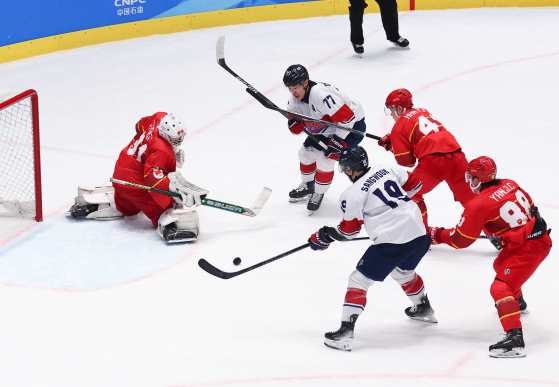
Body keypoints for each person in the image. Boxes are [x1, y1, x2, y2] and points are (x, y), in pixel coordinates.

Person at [307, 146, 436, 352]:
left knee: (358, 280)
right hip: (420, 235)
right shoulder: (385, 169)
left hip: (393, 241)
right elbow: (415, 184)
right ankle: (423, 308)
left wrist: (325, 235)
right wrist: (395, 208)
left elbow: (349, 232)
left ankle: (345, 333)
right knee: (402, 271)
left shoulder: (352, 194)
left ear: (349, 169)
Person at [427, 156, 552, 358]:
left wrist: (436, 234)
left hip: (530, 247)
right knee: (501, 263)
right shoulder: (509, 183)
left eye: (471, 177)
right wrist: (509, 232)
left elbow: (461, 239)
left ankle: (515, 339)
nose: (469, 182)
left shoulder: (478, 205)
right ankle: (517, 302)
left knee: (500, 287)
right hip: (534, 238)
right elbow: (529, 208)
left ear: (478, 179)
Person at [68, 112, 208, 243]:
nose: (179, 140)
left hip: (121, 171)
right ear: (164, 132)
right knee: (169, 204)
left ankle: (109, 203)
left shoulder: (158, 118)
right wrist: (174, 190)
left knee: (127, 206)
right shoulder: (162, 149)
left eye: (180, 137)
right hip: (134, 184)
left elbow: (140, 124)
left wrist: (158, 147)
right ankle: (171, 225)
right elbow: (152, 177)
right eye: (175, 138)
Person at [378, 88, 476, 229]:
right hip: (457, 155)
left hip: (434, 162)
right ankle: (497, 235)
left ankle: (421, 235)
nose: (391, 115)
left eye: (391, 110)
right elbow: (423, 134)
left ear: (399, 108)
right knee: (472, 200)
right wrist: (396, 141)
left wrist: (393, 146)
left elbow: (407, 162)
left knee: (409, 192)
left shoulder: (398, 127)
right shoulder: (424, 111)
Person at [284, 64, 366, 214]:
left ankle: (319, 192)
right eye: (289, 88)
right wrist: (294, 127)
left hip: (351, 127)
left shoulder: (321, 95)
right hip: (328, 126)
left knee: (326, 159)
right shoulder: (293, 101)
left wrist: (337, 141)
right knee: (305, 153)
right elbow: (296, 124)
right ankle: (308, 185)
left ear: (306, 82)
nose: (292, 92)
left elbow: (347, 119)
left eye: (295, 87)